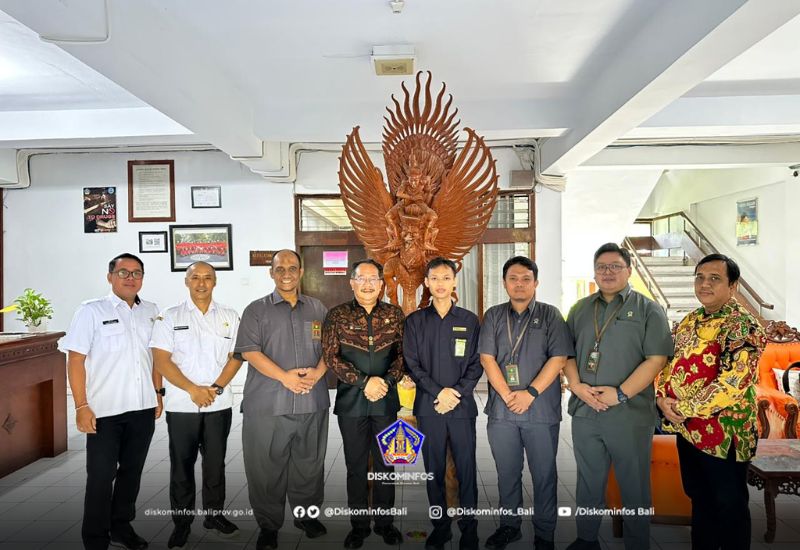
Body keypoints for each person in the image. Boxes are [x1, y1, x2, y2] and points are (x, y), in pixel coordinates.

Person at [564, 243, 673, 550]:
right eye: (601, 267)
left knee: (634, 486)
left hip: (629, 414)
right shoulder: (580, 309)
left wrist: (621, 394)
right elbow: (566, 353)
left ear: (629, 270)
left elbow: (657, 359)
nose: (608, 272)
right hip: (586, 412)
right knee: (588, 482)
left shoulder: (648, 309)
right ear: (594, 272)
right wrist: (576, 386)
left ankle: (637, 544)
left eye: (615, 266)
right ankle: (586, 539)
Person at [656, 253, 766, 550]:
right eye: (700, 277)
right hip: (688, 431)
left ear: (733, 286)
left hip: (725, 433)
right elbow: (669, 364)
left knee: (729, 505)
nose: (704, 284)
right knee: (699, 499)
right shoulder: (690, 320)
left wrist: (682, 408)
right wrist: (662, 398)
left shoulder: (742, 325)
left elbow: (733, 382)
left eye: (714, 278)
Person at [62, 253, 160, 550]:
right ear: (110, 277)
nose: (131, 278)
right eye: (123, 272)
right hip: (104, 410)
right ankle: (95, 538)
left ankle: (121, 528)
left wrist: (158, 394)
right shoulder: (90, 311)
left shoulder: (151, 311)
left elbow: (156, 357)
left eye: (137, 273)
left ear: (143, 278)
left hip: (142, 408)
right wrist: (81, 406)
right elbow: (75, 360)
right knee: (101, 477)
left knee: (131, 474)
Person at [234, 250, 330, 550]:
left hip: (311, 402)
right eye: (280, 269)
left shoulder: (317, 308)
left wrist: (318, 372)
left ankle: (305, 517)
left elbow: (332, 348)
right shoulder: (256, 310)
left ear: (301, 272)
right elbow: (250, 352)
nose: (286, 273)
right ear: (271, 273)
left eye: (292, 268)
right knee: (265, 468)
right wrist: (284, 378)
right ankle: (268, 525)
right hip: (268, 404)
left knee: (309, 465)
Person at [478, 256, 573, 550]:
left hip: (540, 410)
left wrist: (530, 393)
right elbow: (487, 358)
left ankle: (544, 533)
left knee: (544, 475)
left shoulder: (550, 315)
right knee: (507, 473)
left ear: (536, 283)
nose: (519, 284)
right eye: (513, 278)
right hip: (502, 411)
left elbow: (559, 358)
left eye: (526, 279)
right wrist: (508, 395)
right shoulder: (494, 315)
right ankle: (509, 526)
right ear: (504, 282)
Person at [149, 262, 243, 548]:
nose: (201, 283)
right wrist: (193, 389)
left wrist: (215, 388)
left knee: (215, 465)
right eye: (195, 277)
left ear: (215, 282)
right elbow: (161, 360)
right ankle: (182, 523)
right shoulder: (169, 316)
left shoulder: (229, 316)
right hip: (182, 405)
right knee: (182, 466)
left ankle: (214, 516)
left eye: (207, 278)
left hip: (218, 403)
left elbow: (236, 357)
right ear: (186, 281)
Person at [322, 259, 405, 549]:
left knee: (386, 463)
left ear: (381, 284)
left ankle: (385, 523)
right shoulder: (337, 315)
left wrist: (386, 382)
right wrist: (363, 381)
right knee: (355, 465)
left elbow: (403, 355)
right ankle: (358, 526)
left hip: (386, 400)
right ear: (352, 283)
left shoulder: (394, 314)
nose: (367, 284)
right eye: (361, 278)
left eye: (373, 279)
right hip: (351, 403)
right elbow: (331, 356)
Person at [403, 257, 482, 550]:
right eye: (434, 278)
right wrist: (439, 393)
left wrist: (455, 394)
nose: (440, 283)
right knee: (433, 470)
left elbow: (476, 363)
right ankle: (441, 527)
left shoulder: (469, 320)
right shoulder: (415, 322)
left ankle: (469, 529)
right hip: (429, 408)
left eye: (446, 278)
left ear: (454, 281)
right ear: (426, 282)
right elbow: (412, 364)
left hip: (461, 409)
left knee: (466, 470)